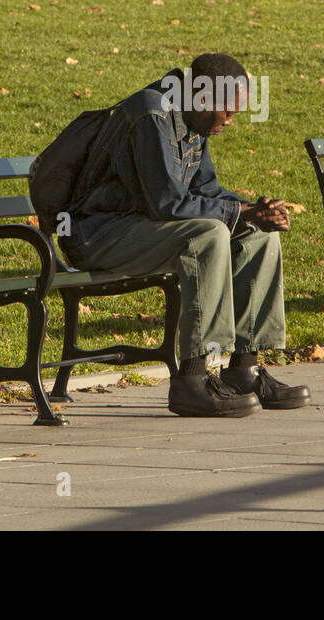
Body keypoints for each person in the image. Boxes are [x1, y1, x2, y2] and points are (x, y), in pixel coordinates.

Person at [60, 53, 310, 418]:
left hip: (141, 229)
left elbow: (207, 193)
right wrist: (239, 212)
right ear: (204, 99)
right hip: (98, 236)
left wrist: (254, 211)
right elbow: (167, 203)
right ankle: (193, 381)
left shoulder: (191, 120)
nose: (230, 121)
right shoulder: (150, 116)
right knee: (207, 235)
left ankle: (244, 370)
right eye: (228, 111)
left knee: (257, 235)